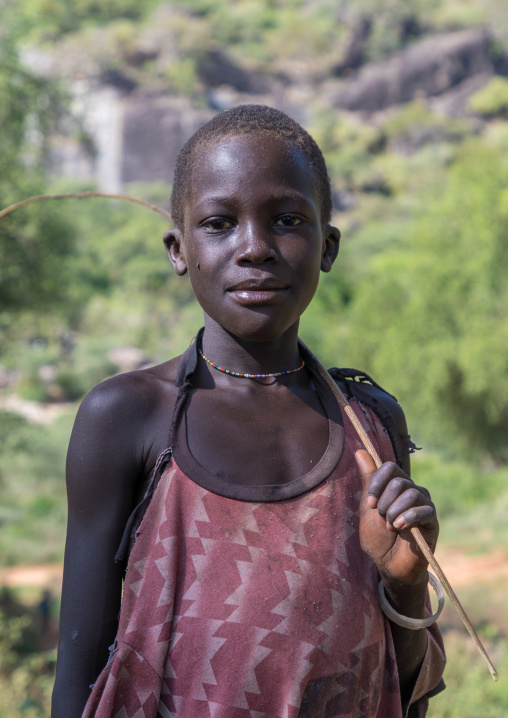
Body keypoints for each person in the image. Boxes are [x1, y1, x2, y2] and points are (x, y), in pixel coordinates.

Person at [52, 105, 445, 718]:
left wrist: (407, 582)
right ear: (178, 251)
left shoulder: (371, 425)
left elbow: (403, 688)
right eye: (219, 223)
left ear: (327, 246)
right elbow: (78, 682)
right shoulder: (127, 417)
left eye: (287, 220)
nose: (255, 248)